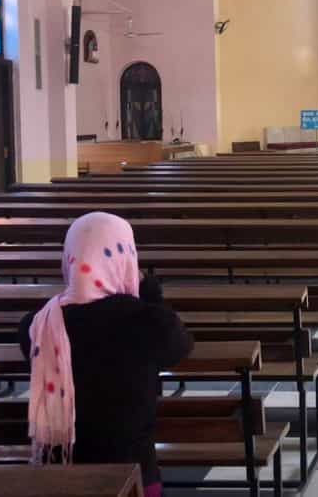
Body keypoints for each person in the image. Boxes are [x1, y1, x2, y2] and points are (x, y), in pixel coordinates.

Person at [18, 212, 193, 497]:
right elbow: (180, 345)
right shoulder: (151, 322)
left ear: (70, 259)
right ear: (127, 258)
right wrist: (148, 290)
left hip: (62, 479)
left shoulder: (38, 325)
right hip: (135, 476)